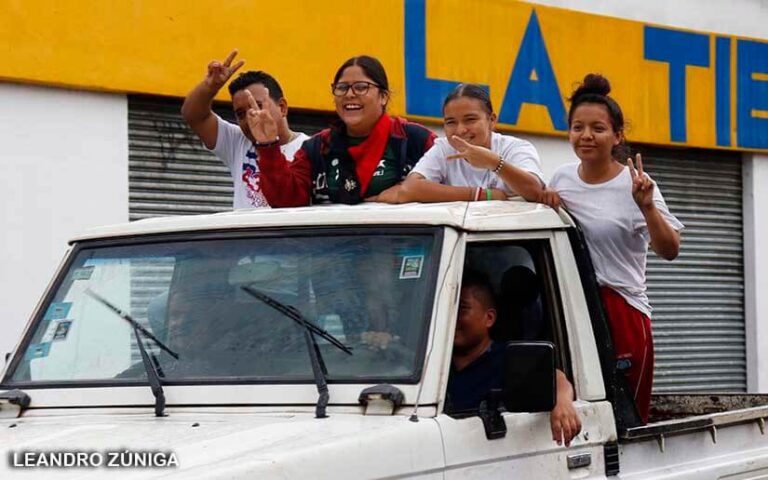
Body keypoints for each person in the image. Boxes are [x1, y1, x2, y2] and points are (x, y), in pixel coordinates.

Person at [540, 74, 683, 424]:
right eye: (578, 127)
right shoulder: (561, 178)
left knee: (625, 419)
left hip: (623, 311)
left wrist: (647, 207)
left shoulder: (634, 184)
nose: (586, 136)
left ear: (617, 135)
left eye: (598, 128)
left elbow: (670, 250)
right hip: (575, 306)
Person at [246, 55, 436, 206]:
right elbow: (286, 200)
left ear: (383, 97)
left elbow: (452, 192)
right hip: (333, 252)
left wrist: (408, 193)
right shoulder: (317, 148)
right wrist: (269, 146)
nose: (350, 94)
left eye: (362, 87)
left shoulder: (414, 140)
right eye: (342, 88)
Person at [448, 270, 582, 447]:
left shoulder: (507, 359)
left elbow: (554, 377)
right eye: (449, 308)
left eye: (462, 309)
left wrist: (562, 402)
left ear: (489, 318)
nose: (452, 317)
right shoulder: (431, 365)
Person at [372, 84, 544, 204]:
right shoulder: (443, 148)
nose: (460, 130)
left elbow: (535, 191)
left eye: (470, 120)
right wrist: (483, 195)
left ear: (492, 120)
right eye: (451, 122)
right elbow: (411, 188)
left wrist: (494, 163)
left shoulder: (516, 148)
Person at [181, 49, 309, 209]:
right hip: (246, 235)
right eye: (241, 114)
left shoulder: (311, 149)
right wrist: (210, 86)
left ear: (282, 107)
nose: (250, 118)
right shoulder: (238, 142)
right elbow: (193, 115)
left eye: (258, 106)